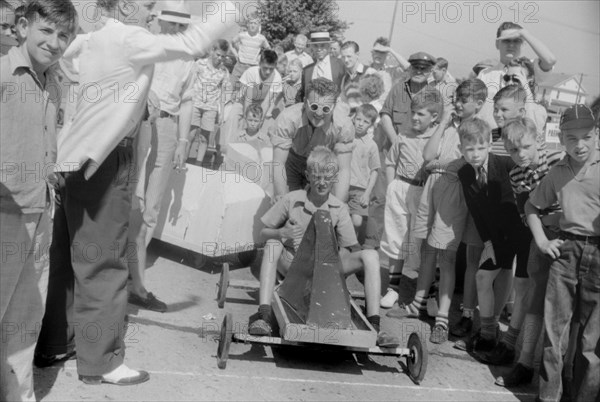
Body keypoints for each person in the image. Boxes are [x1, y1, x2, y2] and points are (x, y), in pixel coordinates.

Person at [36, 0, 236, 386]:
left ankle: (56, 343)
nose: (153, 14)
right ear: (125, 6)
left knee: (65, 258)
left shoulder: (90, 41)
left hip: (73, 156)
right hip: (106, 161)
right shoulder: (129, 37)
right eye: (147, 6)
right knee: (105, 263)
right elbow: (194, 42)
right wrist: (234, 9)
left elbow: (73, 69)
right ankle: (103, 363)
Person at [247, 146, 400, 348]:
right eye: (317, 176)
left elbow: (351, 247)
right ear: (308, 175)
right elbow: (262, 233)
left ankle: (374, 325)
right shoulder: (292, 199)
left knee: (371, 255)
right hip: (293, 266)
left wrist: (333, 259)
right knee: (273, 245)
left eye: (327, 177)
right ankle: (264, 315)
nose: (322, 182)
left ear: (334, 177)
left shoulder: (339, 208)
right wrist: (281, 233)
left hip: (327, 269)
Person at [1, 2, 77, 399]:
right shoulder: (3, 74)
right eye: (46, 31)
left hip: (39, 210)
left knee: (25, 319)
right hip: (4, 212)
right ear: (22, 26)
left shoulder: (52, 83)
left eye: (63, 35)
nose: (55, 42)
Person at [127, 1, 197, 313]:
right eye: (170, 24)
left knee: (150, 208)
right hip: (136, 121)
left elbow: (188, 101)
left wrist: (183, 140)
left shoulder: (188, 57)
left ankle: (137, 285)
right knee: (127, 198)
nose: (175, 30)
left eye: (180, 26)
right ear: (158, 22)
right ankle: (108, 276)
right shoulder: (143, 45)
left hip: (168, 127)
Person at [525, 104, 599, 402]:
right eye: (571, 138)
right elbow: (531, 207)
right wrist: (542, 241)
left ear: (597, 134)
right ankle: (548, 398)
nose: (579, 145)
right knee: (554, 335)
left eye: (587, 136)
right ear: (561, 137)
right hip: (565, 254)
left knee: (590, 343)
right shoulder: (556, 173)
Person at [493, 117, 564, 387]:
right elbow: (527, 214)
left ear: (539, 140)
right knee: (534, 301)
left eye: (525, 146)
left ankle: (560, 376)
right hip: (540, 238)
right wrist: (543, 227)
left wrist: (549, 219)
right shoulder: (516, 174)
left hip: (568, 239)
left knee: (561, 309)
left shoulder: (558, 161)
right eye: (513, 150)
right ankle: (524, 364)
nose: (520, 154)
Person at [456, 118, 531, 356]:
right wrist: (488, 241)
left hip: (524, 233)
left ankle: (509, 342)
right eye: (469, 149)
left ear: (489, 145)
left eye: (480, 148)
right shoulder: (465, 173)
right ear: (461, 149)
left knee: (521, 285)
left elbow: (530, 188)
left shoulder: (507, 164)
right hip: (498, 238)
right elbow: (477, 213)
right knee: (482, 277)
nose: (475, 154)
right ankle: (488, 333)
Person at [379, 88, 443, 310]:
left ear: (434, 117)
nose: (415, 117)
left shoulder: (438, 138)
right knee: (396, 236)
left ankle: (430, 293)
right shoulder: (404, 135)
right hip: (400, 187)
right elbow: (389, 161)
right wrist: (391, 186)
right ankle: (393, 288)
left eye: (421, 114)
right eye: (413, 112)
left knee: (424, 243)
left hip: (424, 193)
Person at [270, 77, 355, 203]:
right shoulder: (287, 118)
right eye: (314, 106)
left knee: (321, 209)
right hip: (292, 162)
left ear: (334, 106)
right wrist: (283, 201)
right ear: (305, 102)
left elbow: (344, 169)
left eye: (326, 108)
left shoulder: (344, 126)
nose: (319, 113)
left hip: (322, 166)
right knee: (289, 205)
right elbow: (278, 163)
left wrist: (338, 206)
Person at [478, 21, 556, 130]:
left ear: (523, 43)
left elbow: (550, 60)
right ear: (497, 44)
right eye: (506, 40)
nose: (511, 45)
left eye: (516, 41)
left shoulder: (530, 69)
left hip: (520, 137)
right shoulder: (485, 74)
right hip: (491, 139)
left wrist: (524, 34)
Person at [221, 49, 282, 150]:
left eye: (271, 69)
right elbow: (248, 99)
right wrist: (247, 118)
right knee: (232, 117)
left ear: (275, 65)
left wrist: (257, 120)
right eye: (265, 68)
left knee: (260, 123)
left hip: (261, 102)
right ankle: (228, 148)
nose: (267, 72)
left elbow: (267, 101)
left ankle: (254, 150)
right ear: (260, 64)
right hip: (244, 100)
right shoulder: (251, 72)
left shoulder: (277, 78)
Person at [190, 39, 230, 165]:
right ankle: (183, 161)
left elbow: (223, 93)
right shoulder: (200, 64)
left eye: (223, 56)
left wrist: (222, 112)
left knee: (204, 137)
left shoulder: (224, 71)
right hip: (195, 104)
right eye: (218, 55)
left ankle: (198, 164)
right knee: (190, 135)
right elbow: (190, 82)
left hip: (211, 108)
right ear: (212, 51)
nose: (220, 58)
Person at [348, 104, 380, 243]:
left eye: (366, 122)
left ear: (371, 125)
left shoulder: (371, 145)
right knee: (336, 218)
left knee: (356, 221)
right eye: (358, 119)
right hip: (341, 185)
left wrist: (367, 193)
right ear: (353, 118)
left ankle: (351, 248)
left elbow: (375, 170)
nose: (360, 124)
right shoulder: (345, 135)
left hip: (359, 189)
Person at [295, 30, 345, 102]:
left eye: (322, 45)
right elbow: (302, 94)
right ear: (312, 47)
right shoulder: (307, 70)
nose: (319, 49)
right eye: (315, 46)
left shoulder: (340, 64)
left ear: (328, 46)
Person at [230, 14, 270, 84]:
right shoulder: (242, 35)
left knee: (249, 89)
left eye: (255, 23)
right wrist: (236, 54)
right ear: (248, 24)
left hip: (252, 67)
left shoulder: (262, 38)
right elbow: (232, 43)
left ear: (258, 26)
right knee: (233, 86)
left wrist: (261, 58)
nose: (253, 25)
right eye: (251, 23)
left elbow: (269, 50)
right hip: (240, 65)